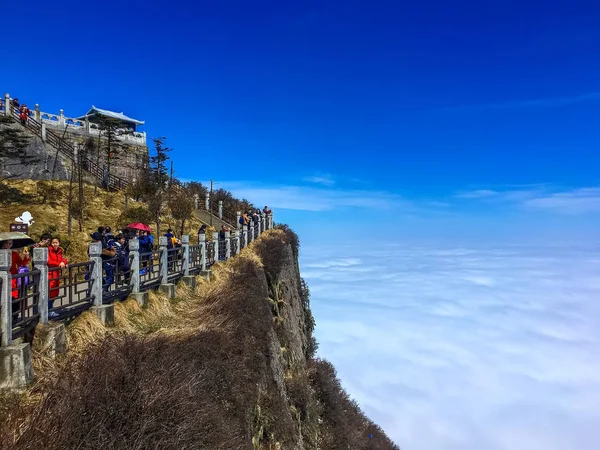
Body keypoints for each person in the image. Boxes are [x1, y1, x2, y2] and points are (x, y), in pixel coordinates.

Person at [47, 237, 67, 319]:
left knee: (55, 293)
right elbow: (48, 261)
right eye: (53, 242)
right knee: (49, 293)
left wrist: (64, 262)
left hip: (56, 275)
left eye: (56, 242)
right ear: (51, 243)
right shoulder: (48, 250)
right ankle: (48, 310)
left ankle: (50, 309)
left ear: (59, 243)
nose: (55, 244)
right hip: (49, 275)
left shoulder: (60, 251)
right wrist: (59, 264)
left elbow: (63, 259)